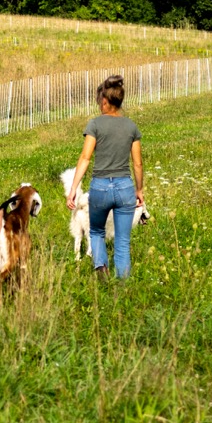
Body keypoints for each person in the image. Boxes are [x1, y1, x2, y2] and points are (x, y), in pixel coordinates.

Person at [65, 75, 144, 279]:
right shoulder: (131, 127)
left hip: (100, 188)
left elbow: (85, 157)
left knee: (97, 232)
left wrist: (73, 189)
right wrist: (139, 190)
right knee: (123, 242)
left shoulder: (95, 124)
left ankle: (101, 267)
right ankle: (122, 287)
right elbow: (137, 163)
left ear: (105, 101)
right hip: (125, 187)